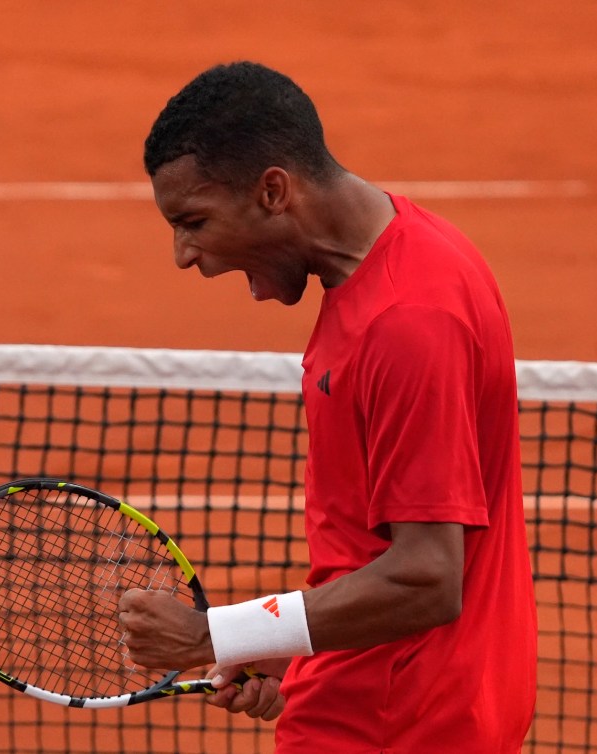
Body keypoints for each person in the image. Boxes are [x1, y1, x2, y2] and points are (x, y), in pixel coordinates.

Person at [117, 61, 537, 753]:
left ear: (273, 190)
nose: (183, 255)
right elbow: (379, 555)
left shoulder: (407, 321)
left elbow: (427, 578)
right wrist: (300, 651)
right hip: (411, 695)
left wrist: (215, 634)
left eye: (193, 221)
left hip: (397, 724)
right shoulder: (401, 255)